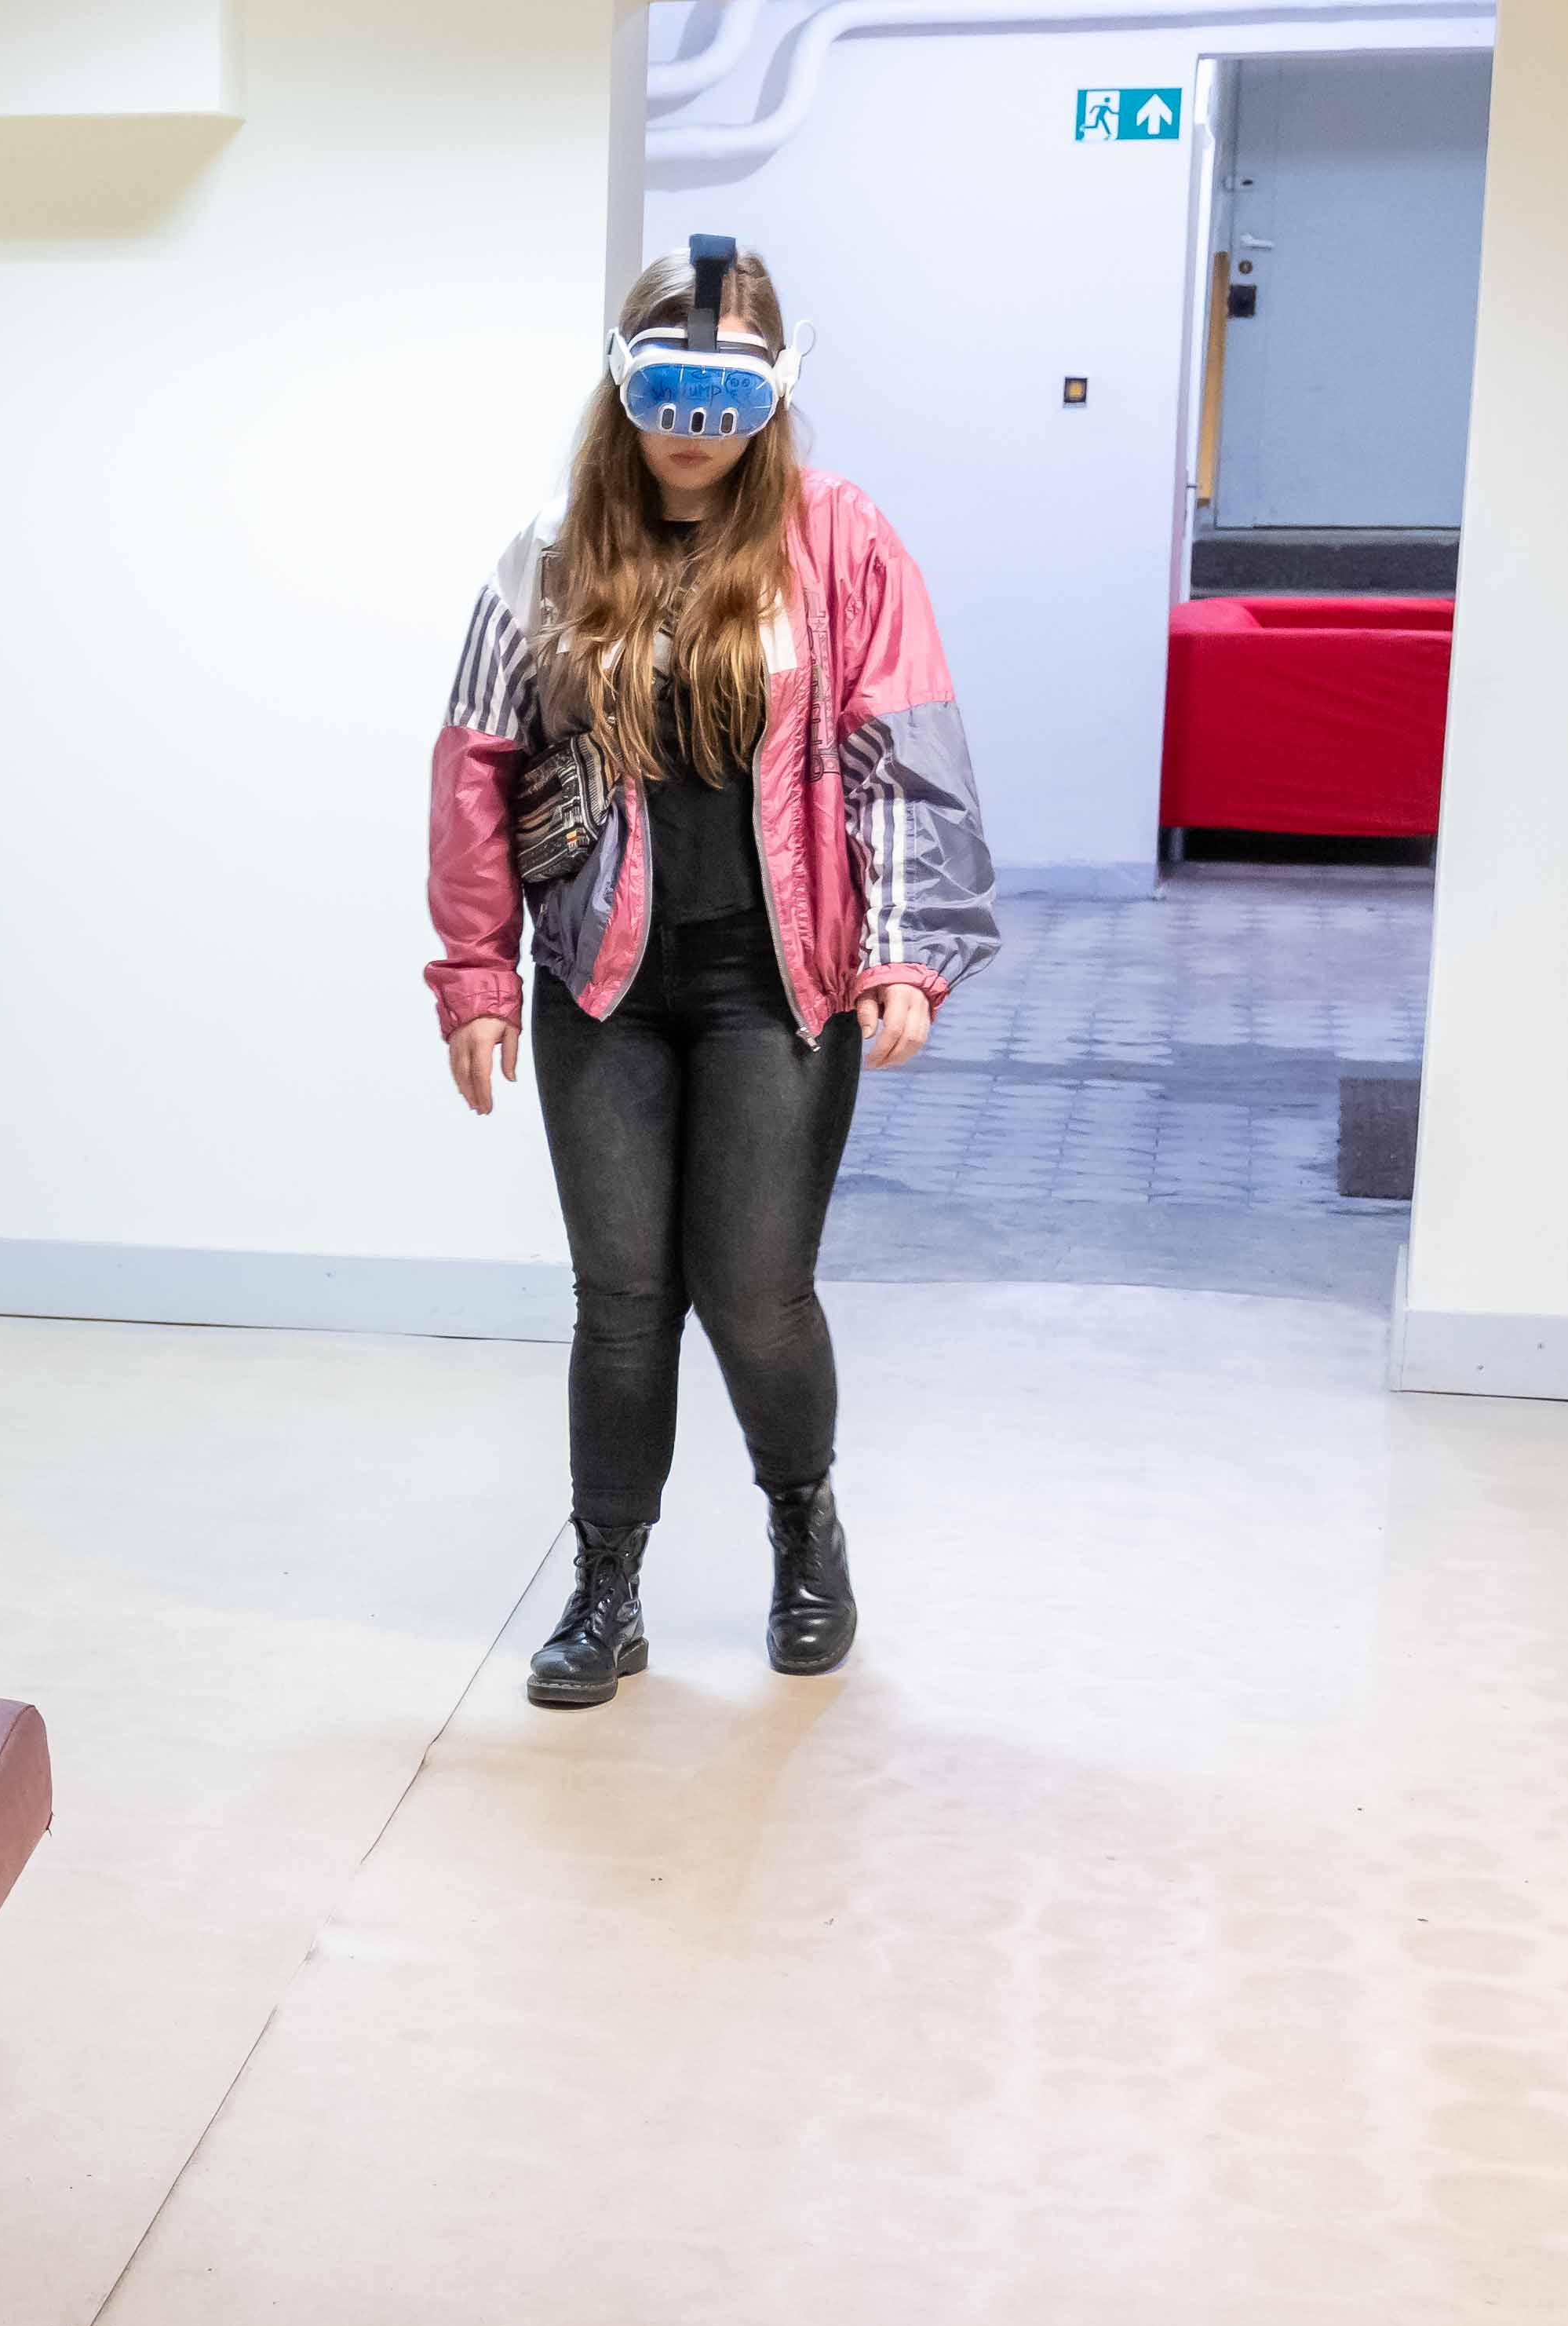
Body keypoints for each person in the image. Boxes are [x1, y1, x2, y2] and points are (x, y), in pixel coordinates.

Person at [421, 238, 997, 1709]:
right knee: (621, 1299)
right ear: (622, 385)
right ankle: (606, 1589)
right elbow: (477, 766)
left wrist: (905, 948)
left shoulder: (838, 538)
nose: (692, 428)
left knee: (752, 1292)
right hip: (603, 983)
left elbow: (898, 748)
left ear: (773, 396)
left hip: (776, 987)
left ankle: (805, 1533)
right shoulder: (553, 550)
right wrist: (477, 972)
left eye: (724, 400)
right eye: (665, 393)